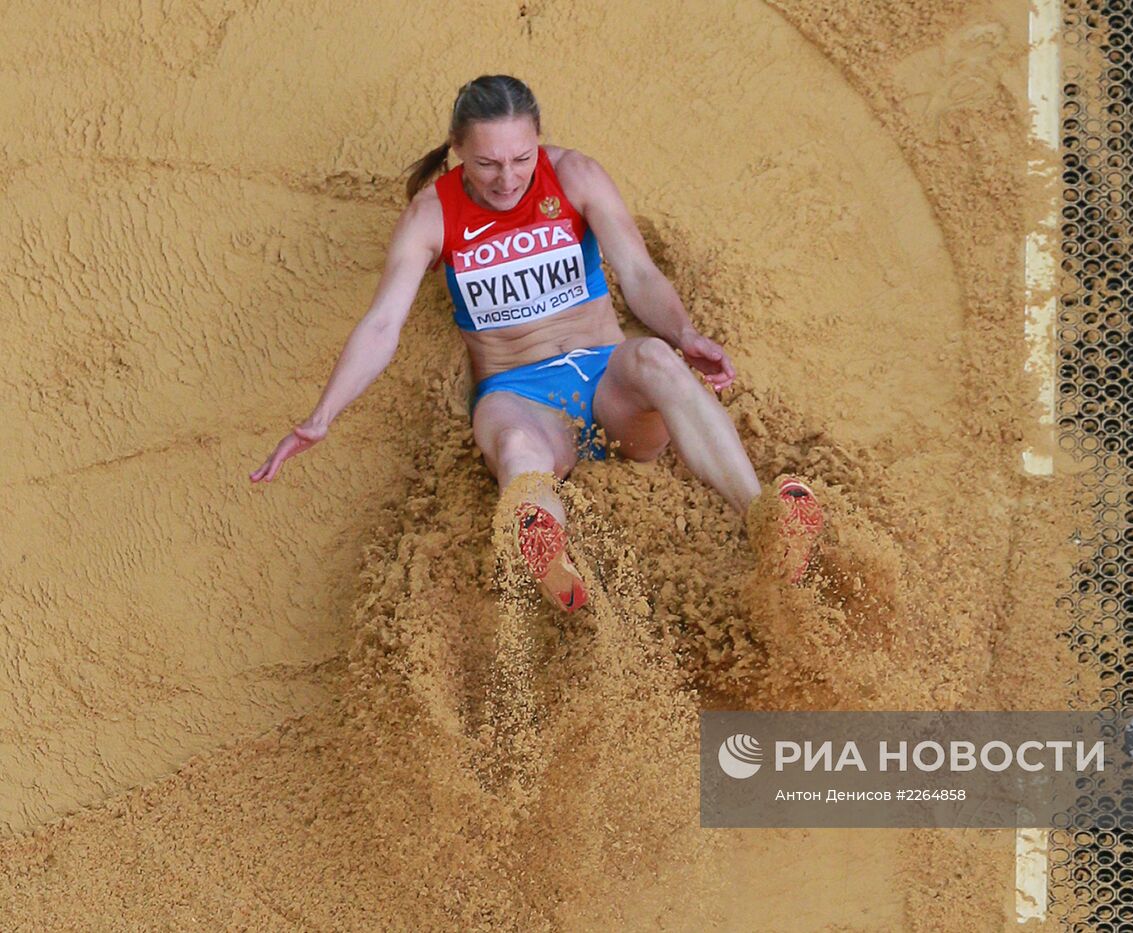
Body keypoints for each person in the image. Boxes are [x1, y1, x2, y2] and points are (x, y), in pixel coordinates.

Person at [249, 74, 823, 612]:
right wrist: (322, 416)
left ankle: (765, 519)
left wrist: (684, 332)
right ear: (456, 151)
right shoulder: (432, 214)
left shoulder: (575, 175)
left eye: (521, 159)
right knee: (518, 447)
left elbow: (639, 275)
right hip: (519, 392)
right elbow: (381, 325)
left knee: (655, 357)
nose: (507, 179)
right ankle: (557, 573)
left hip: (608, 385)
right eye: (487, 164)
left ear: (539, 140)